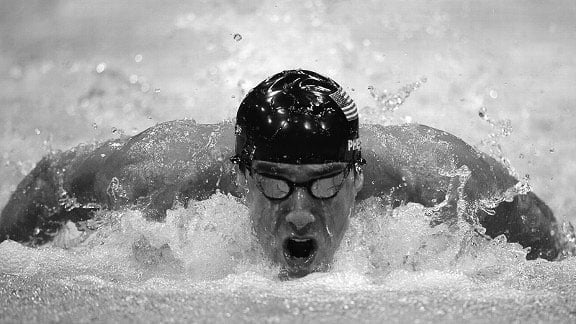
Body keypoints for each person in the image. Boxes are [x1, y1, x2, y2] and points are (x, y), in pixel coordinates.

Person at [0, 70, 564, 278]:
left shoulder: (435, 177)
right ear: (240, 177)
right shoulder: (161, 173)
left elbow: (538, 227)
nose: (298, 211)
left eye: (324, 184)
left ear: (358, 177)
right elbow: (54, 180)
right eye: (274, 184)